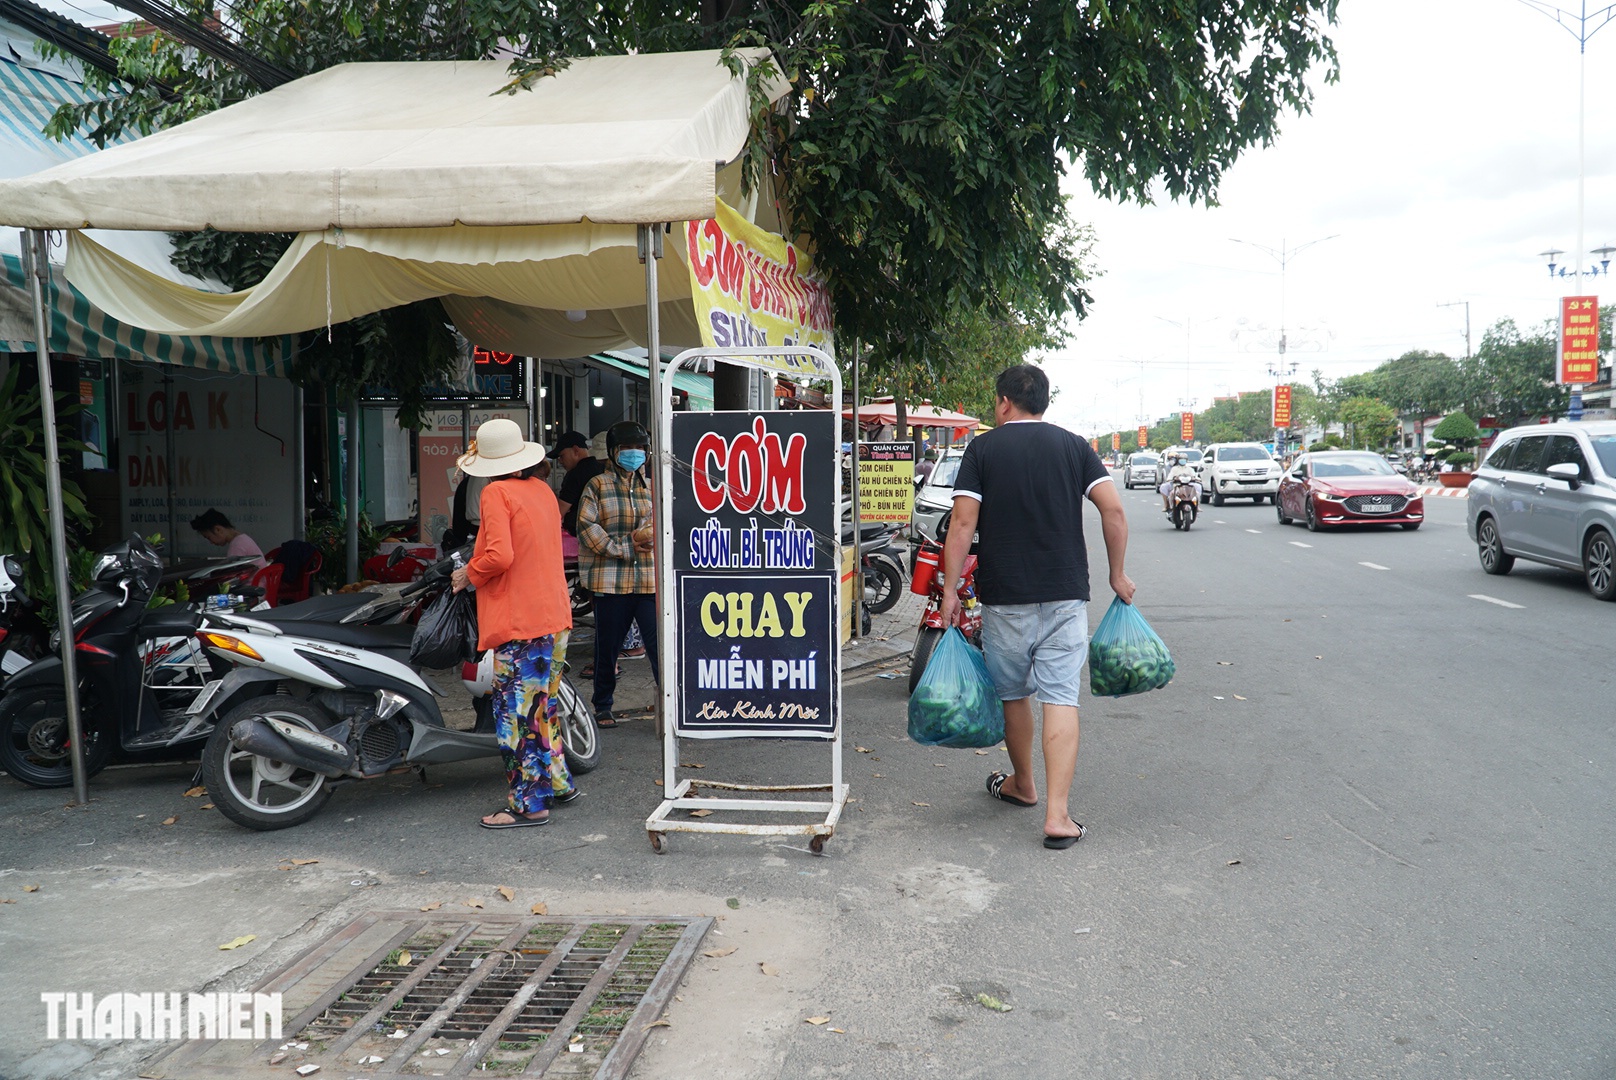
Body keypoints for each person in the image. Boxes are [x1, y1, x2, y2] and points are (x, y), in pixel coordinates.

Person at [941, 365, 1134, 850]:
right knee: (1061, 697)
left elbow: (962, 524)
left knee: (1014, 695)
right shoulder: (1074, 446)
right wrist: (1116, 574)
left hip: (1005, 596)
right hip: (1065, 592)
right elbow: (1113, 509)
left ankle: (1023, 784)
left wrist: (949, 591)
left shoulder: (982, 449)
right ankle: (1058, 815)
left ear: (1005, 402)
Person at [447, 417, 577, 829]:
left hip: (521, 621)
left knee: (516, 715)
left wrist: (468, 573)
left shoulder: (495, 493)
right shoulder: (541, 490)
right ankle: (558, 783)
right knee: (543, 707)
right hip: (554, 615)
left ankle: (529, 804)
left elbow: (500, 556)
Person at [576, 420, 658, 728]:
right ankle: (603, 705)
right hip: (610, 581)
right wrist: (625, 546)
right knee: (607, 648)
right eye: (627, 448)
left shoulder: (652, 487)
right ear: (613, 452)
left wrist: (652, 539)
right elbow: (587, 528)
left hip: (648, 580)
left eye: (639, 448)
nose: (634, 453)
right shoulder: (596, 486)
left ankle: (671, 704)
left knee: (659, 648)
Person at [552, 430, 605, 536]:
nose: (560, 461)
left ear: (576, 450)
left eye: (562, 456)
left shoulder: (575, 474)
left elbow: (559, 511)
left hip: (582, 534)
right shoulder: (603, 467)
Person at [189, 508, 267, 568]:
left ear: (218, 529)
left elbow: (232, 572)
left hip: (252, 583)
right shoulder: (242, 538)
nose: (211, 542)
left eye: (209, 538)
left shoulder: (237, 545)